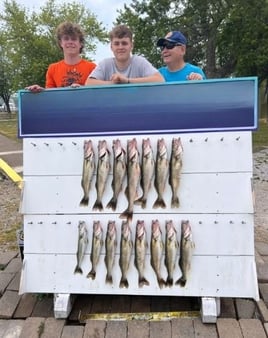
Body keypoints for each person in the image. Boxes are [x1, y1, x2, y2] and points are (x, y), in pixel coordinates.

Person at [26, 22, 96, 92]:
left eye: (74, 39)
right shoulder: (52, 69)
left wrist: (81, 90)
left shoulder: (92, 68)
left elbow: (97, 94)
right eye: (66, 39)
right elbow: (50, 95)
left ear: (80, 43)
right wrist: (39, 91)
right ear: (61, 43)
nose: (70, 42)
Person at [85, 24, 164, 85]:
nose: (120, 47)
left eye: (124, 43)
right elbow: (89, 83)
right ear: (111, 47)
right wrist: (113, 84)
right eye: (116, 44)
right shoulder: (105, 64)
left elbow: (160, 80)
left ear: (131, 46)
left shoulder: (140, 62)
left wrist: (127, 81)